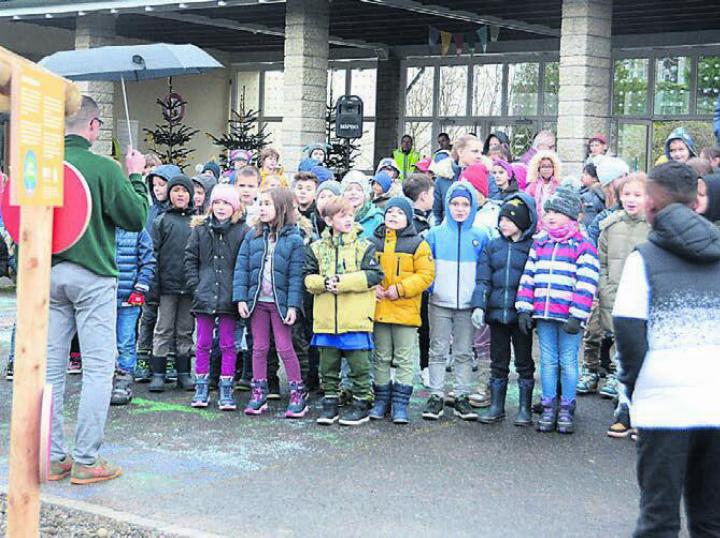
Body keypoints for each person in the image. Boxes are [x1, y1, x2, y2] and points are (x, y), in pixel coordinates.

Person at [613, 162, 720, 536]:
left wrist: (631, 391)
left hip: (663, 403)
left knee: (658, 516)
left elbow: (629, 334)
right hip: (716, 401)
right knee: (711, 519)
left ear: (652, 206)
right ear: (696, 202)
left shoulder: (643, 259)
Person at [46, 95, 148, 484]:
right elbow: (135, 217)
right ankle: (87, 460)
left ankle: (54, 457)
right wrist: (135, 174)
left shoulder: (41, 162)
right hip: (93, 276)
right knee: (98, 368)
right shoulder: (103, 167)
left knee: (52, 369)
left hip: (50, 274)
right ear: (93, 127)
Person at [516, 185, 599, 434]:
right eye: (548, 211)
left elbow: (587, 282)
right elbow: (528, 275)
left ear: (571, 215)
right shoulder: (540, 242)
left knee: (568, 362)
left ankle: (566, 406)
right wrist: (524, 307)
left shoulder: (582, 245)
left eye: (557, 211)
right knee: (548, 362)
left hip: (569, 317)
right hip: (544, 313)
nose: (550, 216)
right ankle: (549, 404)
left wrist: (578, 314)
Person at [304, 196, 384, 426]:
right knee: (328, 365)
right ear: (328, 220)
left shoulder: (364, 246)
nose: (348, 219)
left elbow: (375, 276)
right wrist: (324, 283)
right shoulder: (316, 248)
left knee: (359, 365)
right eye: (342, 216)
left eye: (350, 215)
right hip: (326, 321)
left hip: (355, 319)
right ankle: (331, 400)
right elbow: (308, 278)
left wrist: (344, 282)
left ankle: (361, 400)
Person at [234, 188, 308, 418]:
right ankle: (258, 392)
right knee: (259, 348)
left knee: (285, 347)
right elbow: (242, 269)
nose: (261, 208)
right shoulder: (252, 236)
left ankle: (298, 393)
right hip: (258, 302)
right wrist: (241, 299)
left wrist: (293, 306)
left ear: (282, 208)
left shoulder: (294, 240)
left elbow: (297, 276)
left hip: (280, 304)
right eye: (260, 203)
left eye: (267, 203)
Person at [423, 183, 491, 421]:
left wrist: (479, 301)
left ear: (472, 207)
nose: (459, 209)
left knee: (463, 352)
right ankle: (436, 395)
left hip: (467, 306)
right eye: (455, 204)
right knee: (438, 350)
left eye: (465, 204)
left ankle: (462, 395)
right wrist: (432, 289)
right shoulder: (435, 234)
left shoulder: (481, 235)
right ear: (447, 204)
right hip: (440, 302)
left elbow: (485, 270)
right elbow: (426, 266)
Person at [473, 193, 537, 426]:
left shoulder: (533, 247)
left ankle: (524, 408)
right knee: (498, 360)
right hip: (497, 315)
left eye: (509, 220)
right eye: (501, 220)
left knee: (524, 361)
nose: (503, 224)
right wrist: (479, 305)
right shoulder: (492, 247)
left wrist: (530, 311)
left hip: (521, 317)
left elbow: (535, 282)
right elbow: (483, 279)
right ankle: (496, 406)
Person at [369, 197, 434, 424]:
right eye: (390, 212)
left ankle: (400, 404)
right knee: (381, 357)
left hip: (405, 311)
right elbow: (365, 268)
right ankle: (381, 400)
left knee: (404, 358)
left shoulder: (418, 244)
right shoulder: (372, 241)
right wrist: (372, 286)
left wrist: (402, 289)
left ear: (408, 217)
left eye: (399, 212)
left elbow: (426, 275)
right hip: (379, 309)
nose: (393, 216)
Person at [595, 174, 649, 437]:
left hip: (646, 304)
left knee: (645, 361)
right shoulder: (610, 226)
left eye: (637, 195)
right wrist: (605, 290)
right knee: (621, 359)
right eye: (627, 194)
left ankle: (644, 415)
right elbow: (602, 264)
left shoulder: (655, 227)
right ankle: (624, 412)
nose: (631, 199)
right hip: (616, 300)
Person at [185, 184, 248, 409]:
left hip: (230, 297)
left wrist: (240, 294)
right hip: (204, 295)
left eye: (226, 203)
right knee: (202, 343)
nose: (221, 208)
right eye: (217, 203)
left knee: (228, 344)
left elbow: (244, 264)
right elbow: (190, 259)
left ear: (235, 207)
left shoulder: (243, 231)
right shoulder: (200, 230)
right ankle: (201, 387)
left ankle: (226, 389)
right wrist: (196, 285)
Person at [150, 174, 196, 393]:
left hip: (189, 286)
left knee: (185, 330)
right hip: (167, 285)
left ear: (191, 195)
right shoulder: (162, 221)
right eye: (176, 190)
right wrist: (154, 285)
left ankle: (184, 373)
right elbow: (154, 254)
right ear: (169, 194)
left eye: (185, 191)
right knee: (164, 328)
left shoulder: (198, 222)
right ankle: (158, 372)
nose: (180, 194)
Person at [111, 227, 156, 406]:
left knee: (126, 341)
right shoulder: (100, 226)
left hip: (129, 297)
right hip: (101, 297)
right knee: (100, 342)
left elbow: (148, 262)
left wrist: (140, 287)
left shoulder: (138, 231)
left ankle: (123, 381)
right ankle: (102, 380)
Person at [402, 173, 435, 385]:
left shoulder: (431, 218)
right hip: (413, 283)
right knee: (422, 327)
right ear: (423, 196)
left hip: (414, 283)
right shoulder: (416, 223)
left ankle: (424, 366)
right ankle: (423, 367)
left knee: (424, 327)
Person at [432, 134, 498, 223]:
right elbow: (436, 213)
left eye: (481, 152)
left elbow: (493, 207)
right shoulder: (443, 177)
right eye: (475, 151)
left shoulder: (488, 176)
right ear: (460, 152)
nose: (479, 156)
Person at [341, 169, 383, 239]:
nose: (353, 193)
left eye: (359, 189)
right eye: (349, 189)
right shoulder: (336, 217)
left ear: (365, 194)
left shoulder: (377, 218)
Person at [525, 150, 562, 223]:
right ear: (538, 169)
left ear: (554, 168)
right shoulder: (532, 186)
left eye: (549, 167)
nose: (546, 170)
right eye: (543, 167)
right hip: (536, 221)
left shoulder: (559, 187)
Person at [579, 162, 605, 227]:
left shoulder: (595, 195)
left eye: (586, 174)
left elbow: (588, 219)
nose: (582, 176)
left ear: (595, 178)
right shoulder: (583, 191)